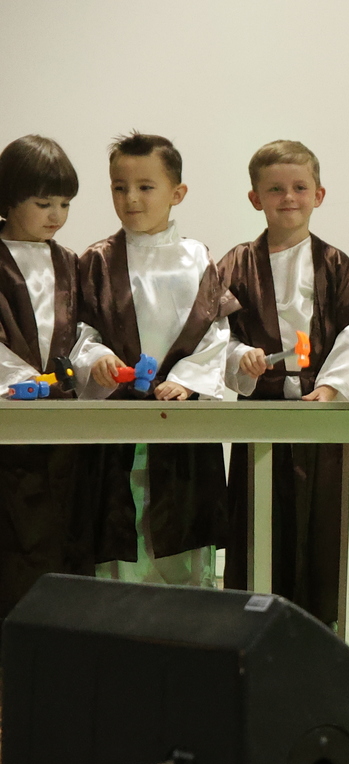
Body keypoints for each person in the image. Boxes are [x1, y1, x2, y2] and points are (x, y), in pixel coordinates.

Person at [220, 140, 349, 627]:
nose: (288, 198)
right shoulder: (236, 264)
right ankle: (253, 621)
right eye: (275, 189)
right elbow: (215, 334)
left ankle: (317, 623)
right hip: (261, 410)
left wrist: (330, 388)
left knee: (320, 518)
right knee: (259, 514)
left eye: (299, 188)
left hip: (318, 412)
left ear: (319, 195)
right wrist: (240, 358)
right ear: (255, 198)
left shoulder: (335, 264)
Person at [78, 132, 232, 586]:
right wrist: (97, 358)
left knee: (182, 527)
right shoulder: (97, 261)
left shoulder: (197, 258)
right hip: (117, 418)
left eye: (146, 187)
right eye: (119, 187)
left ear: (176, 193)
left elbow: (215, 332)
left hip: (180, 418)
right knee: (120, 529)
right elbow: (80, 330)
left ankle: (187, 620)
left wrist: (187, 379)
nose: (131, 199)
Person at [0, 135, 100, 633]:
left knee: (62, 531)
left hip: (61, 426)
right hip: (9, 425)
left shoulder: (69, 262)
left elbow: (83, 334)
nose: (57, 215)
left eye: (65, 204)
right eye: (44, 203)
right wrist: (21, 381)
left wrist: (94, 363)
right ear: (8, 199)